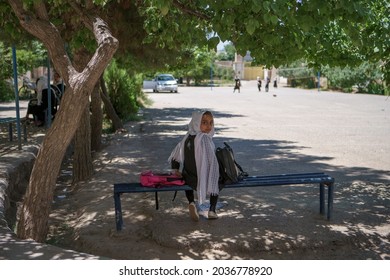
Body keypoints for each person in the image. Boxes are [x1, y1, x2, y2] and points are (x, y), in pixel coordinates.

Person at [169, 111, 220, 221]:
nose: (209, 126)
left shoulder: (187, 137)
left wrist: (175, 169)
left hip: (189, 179)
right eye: (204, 122)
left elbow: (175, 155)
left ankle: (191, 202)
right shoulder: (204, 139)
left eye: (211, 123)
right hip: (202, 179)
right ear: (197, 123)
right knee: (217, 179)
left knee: (185, 174)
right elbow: (213, 162)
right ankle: (212, 210)